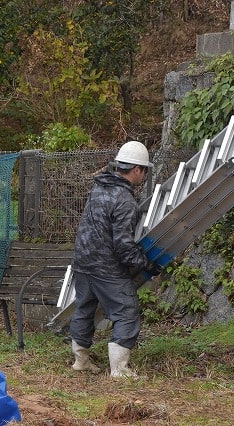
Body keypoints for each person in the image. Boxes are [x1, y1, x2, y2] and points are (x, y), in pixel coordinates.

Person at [69, 140, 162, 378]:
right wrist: (147, 265)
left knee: (84, 309)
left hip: (82, 261)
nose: (144, 175)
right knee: (126, 311)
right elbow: (123, 247)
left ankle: (80, 361)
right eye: (145, 170)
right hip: (106, 267)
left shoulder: (99, 188)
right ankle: (119, 370)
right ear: (137, 170)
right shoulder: (125, 200)